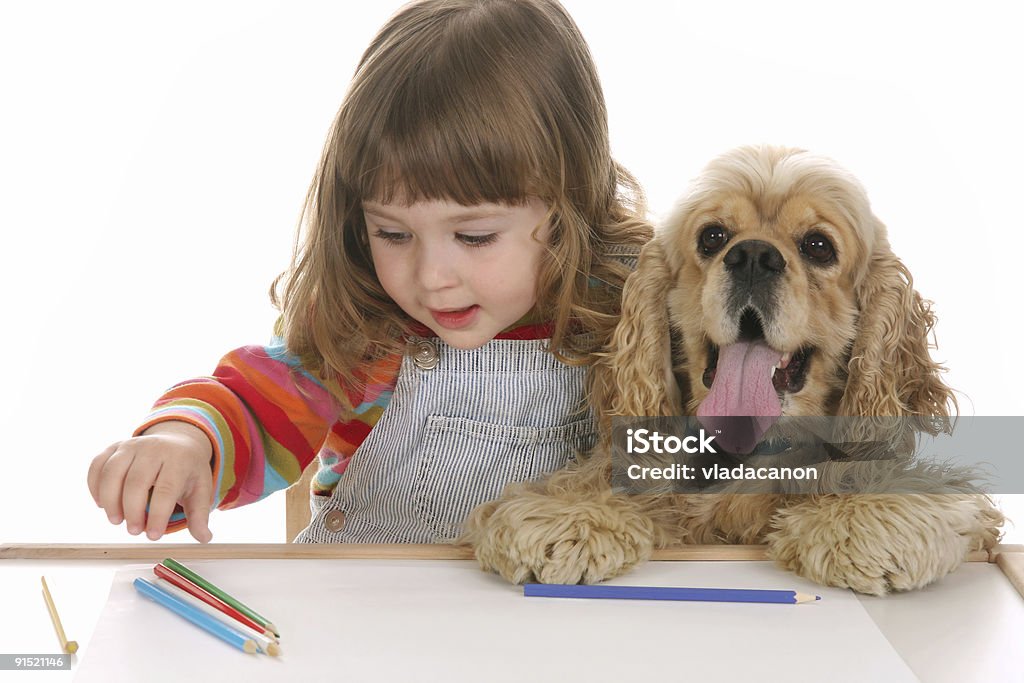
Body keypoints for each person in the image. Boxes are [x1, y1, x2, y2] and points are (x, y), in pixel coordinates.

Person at [87, 0, 651, 544]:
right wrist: (185, 442)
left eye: (474, 236)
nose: (431, 276)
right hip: (362, 608)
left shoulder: (635, 308)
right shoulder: (367, 324)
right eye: (393, 233)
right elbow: (259, 409)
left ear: (568, 201)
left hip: (554, 618)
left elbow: (701, 480)